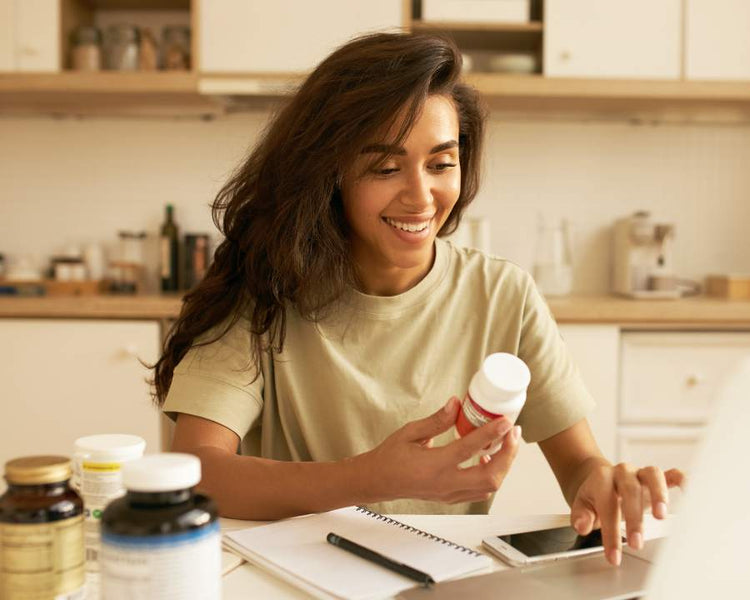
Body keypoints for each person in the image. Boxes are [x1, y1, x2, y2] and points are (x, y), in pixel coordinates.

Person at [153, 32, 683, 567]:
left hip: (444, 577)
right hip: (298, 578)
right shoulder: (264, 291)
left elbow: (580, 466)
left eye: (440, 162)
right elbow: (199, 472)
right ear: (330, 172)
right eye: (385, 167)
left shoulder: (503, 294)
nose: (420, 195)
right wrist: (371, 477)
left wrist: (608, 484)